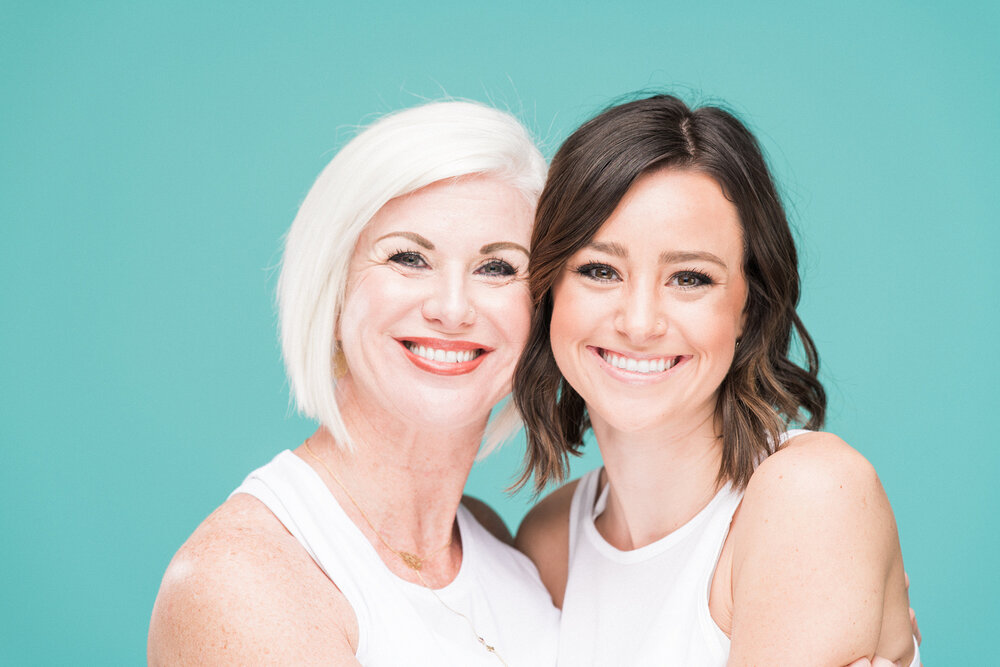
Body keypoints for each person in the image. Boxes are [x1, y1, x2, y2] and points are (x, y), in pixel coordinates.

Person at [147, 101, 560, 665]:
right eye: (409, 257)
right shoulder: (245, 578)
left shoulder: (488, 542)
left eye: (498, 268)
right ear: (334, 290)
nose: (452, 307)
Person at [514, 95, 920, 666]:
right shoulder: (550, 540)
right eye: (599, 270)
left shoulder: (811, 495)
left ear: (749, 309)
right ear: (549, 291)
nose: (638, 322)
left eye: (689, 277)